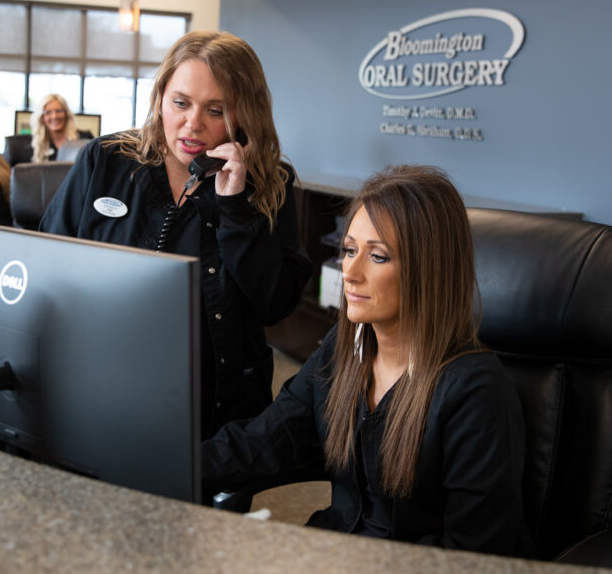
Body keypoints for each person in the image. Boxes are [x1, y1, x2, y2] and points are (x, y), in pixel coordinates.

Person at [203, 165, 532, 557]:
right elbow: (263, 441)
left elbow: (473, 558)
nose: (350, 273)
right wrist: (155, 464)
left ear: (428, 269)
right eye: (348, 250)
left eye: (377, 256)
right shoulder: (342, 352)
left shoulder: (475, 392)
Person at [40, 30, 313, 439]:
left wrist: (234, 209)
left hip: (213, 407)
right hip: (107, 384)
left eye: (216, 110)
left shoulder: (269, 183)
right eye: (181, 103)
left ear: (244, 116)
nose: (193, 123)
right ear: (161, 96)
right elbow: (47, 260)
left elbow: (274, 303)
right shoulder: (106, 161)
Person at [31, 93, 92, 163]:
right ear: (41, 117)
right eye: (48, 112)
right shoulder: (36, 144)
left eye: (58, 111)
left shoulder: (86, 139)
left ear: (66, 113)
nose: (54, 116)